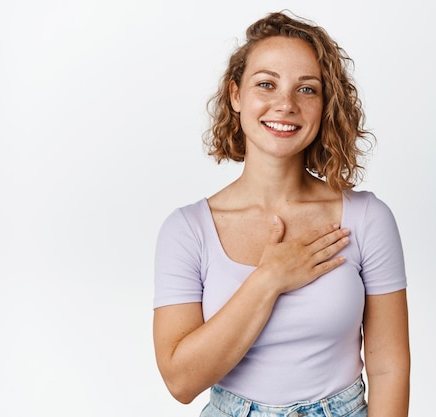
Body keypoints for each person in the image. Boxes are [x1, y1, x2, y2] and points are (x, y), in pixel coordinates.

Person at [153, 10, 410, 417]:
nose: (285, 104)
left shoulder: (367, 218)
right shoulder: (187, 230)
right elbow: (181, 382)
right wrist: (270, 278)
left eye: (306, 89)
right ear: (236, 95)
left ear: (325, 104)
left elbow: (389, 366)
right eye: (266, 84)